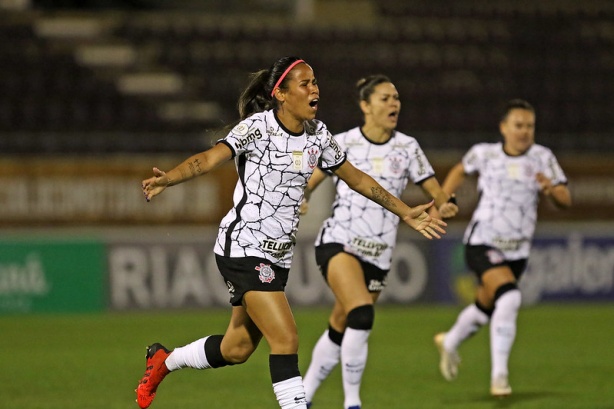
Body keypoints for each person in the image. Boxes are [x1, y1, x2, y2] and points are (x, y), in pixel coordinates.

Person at [136, 57, 447, 409]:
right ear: (281, 94)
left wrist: (405, 211)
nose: (314, 89)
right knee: (286, 339)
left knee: (236, 348)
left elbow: (356, 178)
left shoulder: (318, 135)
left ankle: (164, 360)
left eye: (315, 82)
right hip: (244, 246)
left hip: (278, 256)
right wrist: (170, 178)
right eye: (305, 83)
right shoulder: (257, 128)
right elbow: (209, 159)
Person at [300, 74, 458, 409]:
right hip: (339, 241)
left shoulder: (407, 147)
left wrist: (445, 203)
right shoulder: (342, 142)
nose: (394, 104)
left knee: (341, 321)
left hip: (379, 253)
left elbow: (434, 189)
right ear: (365, 106)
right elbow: (311, 179)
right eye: (385, 98)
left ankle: (303, 397)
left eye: (396, 98)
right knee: (361, 314)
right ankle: (352, 403)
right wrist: (302, 196)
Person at [433, 99, 571, 397]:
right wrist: (445, 198)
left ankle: (451, 340)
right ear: (504, 128)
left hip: (517, 252)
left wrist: (551, 190)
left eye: (529, 126)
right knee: (509, 297)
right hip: (482, 242)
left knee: (486, 305)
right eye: (518, 125)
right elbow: (459, 169)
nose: (524, 131)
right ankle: (500, 377)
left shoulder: (542, 157)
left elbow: (565, 199)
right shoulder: (485, 153)